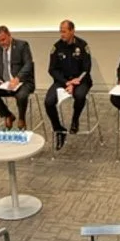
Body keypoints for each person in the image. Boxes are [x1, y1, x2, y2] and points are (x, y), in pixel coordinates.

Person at [45, 20, 92, 150]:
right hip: (62, 81)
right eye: (60, 31)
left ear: (72, 31)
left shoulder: (82, 46)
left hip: (80, 80)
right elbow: (52, 69)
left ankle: (75, 120)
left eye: (64, 31)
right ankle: (59, 129)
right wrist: (66, 82)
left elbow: (86, 68)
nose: (62, 34)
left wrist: (75, 82)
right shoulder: (56, 47)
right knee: (48, 102)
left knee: (80, 95)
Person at [0, 26, 35, 129]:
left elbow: (28, 64)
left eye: (3, 39)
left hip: (23, 82)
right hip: (5, 83)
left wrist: (17, 79)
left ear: (9, 35)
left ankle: (22, 118)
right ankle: (8, 115)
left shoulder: (22, 45)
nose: (1, 43)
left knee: (21, 96)